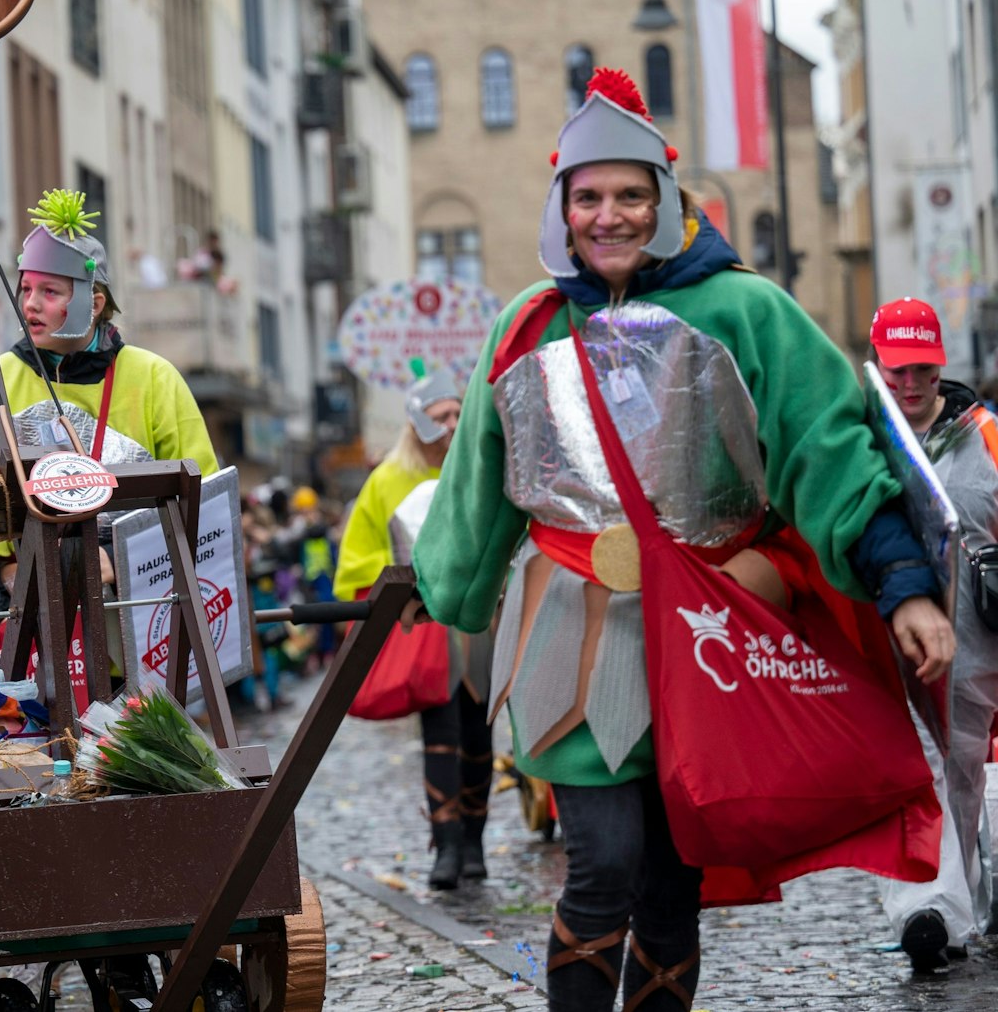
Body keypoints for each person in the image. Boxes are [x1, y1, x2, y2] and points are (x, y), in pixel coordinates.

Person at [408, 69, 954, 1012]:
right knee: (602, 861)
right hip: (573, 631)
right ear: (562, 208)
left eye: (630, 194)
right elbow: (478, 480)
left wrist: (902, 582)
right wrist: (447, 585)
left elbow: (828, 450)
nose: (609, 216)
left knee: (669, 881)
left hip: (704, 632)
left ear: (664, 201)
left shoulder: (747, 311)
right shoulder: (526, 325)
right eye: (589, 197)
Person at [0, 189, 218, 681]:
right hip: (10, 624)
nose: (30, 304)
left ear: (94, 302)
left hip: (132, 622)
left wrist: (119, 561)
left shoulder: (155, 378)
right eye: (26, 289)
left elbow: (202, 502)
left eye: (50, 292)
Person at [867, 298, 998, 973]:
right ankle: (926, 910)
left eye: (922, 367)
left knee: (961, 769)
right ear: (877, 365)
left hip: (972, 640)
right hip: (881, 635)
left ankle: (954, 906)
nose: (911, 382)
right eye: (897, 370)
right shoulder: (861, 438)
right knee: (902, 764)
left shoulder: (986, 434)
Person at [335, 366, 492, 890]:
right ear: (416, 422)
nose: (451, 424)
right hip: (424, 626)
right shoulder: (388, 480)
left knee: (479, 735)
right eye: (440, 414)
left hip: (478, 622)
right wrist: (406, 573)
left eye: (456, 413)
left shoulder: (478, 468)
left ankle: (474, 843)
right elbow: (357, 560)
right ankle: (447, 846)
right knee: (441, 735)